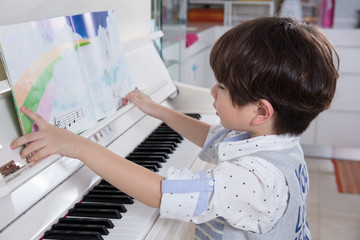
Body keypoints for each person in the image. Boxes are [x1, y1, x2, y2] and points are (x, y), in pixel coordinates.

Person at [11, 16, 339, 239]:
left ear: (260, 111)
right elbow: (213, 137)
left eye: (221, 87)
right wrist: (159, 111)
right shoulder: (278, 140)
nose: (213, 92)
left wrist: (78, 146)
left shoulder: (254, 181)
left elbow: (159, 192)